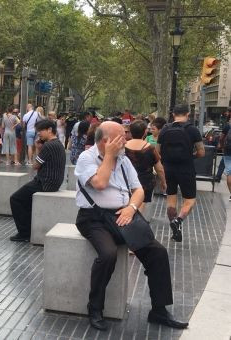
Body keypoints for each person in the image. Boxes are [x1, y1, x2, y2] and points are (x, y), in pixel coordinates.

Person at [75, 121, 189, 331]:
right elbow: (99, 183)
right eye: (121, 137)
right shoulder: (86, 158)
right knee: (108, 254)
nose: (125, 140)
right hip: (94, 218)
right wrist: (108, 156)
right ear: (105, 141)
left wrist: (131, 208)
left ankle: (159, 310)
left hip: (123, 215)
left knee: (158, 253)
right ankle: (95, 308)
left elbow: (138, 190)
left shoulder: (124, 160)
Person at [9, 119, 66, 242]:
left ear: (50, 130)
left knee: (15, 199)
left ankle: (24, 233)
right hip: (54, 182)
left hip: (45, 183)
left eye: (40, 131)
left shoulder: (49, 145)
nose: (38, 134)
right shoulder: (58, 144)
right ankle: (28, 230)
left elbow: (35, 165)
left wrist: (38, 148)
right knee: (27, 201)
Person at [157, 104, 205, 242]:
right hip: (186, 169)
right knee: (189, 200)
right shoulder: (193, 130)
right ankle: (178, 220)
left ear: (173, 115)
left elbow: (158, 151)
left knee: (171, 200)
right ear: (187, 114)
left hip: (168, 169)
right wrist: (191, 156)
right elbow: (201, 152)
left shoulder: (165, 130)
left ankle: (175, 231)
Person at [125, 120, 166, 214]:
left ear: (131, 132)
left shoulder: (123, 146)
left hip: (126, 179)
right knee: (141, 203)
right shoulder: (150, 148)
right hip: (145, 181)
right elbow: (159, 169)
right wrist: (163, 182)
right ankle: (137, 221)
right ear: (145, 132)